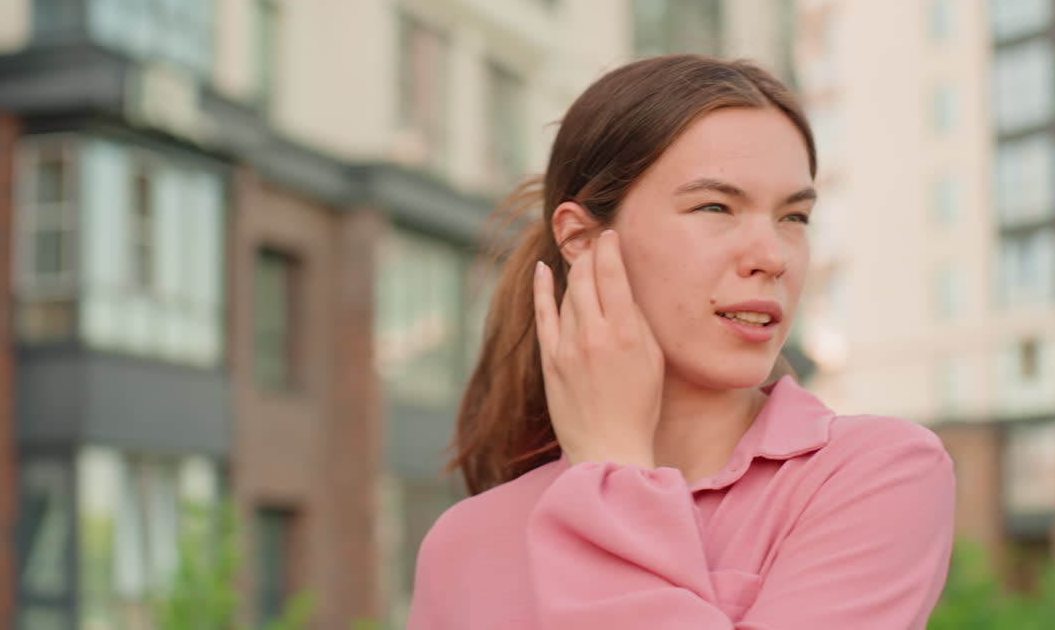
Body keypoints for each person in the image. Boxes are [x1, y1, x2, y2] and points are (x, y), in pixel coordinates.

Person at [406, 55, 956, 629]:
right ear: (582, 238)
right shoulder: (466, 543)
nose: (772, 256)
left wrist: (611, 466)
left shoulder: (876, 474)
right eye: (715, 207)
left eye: (793, 217)